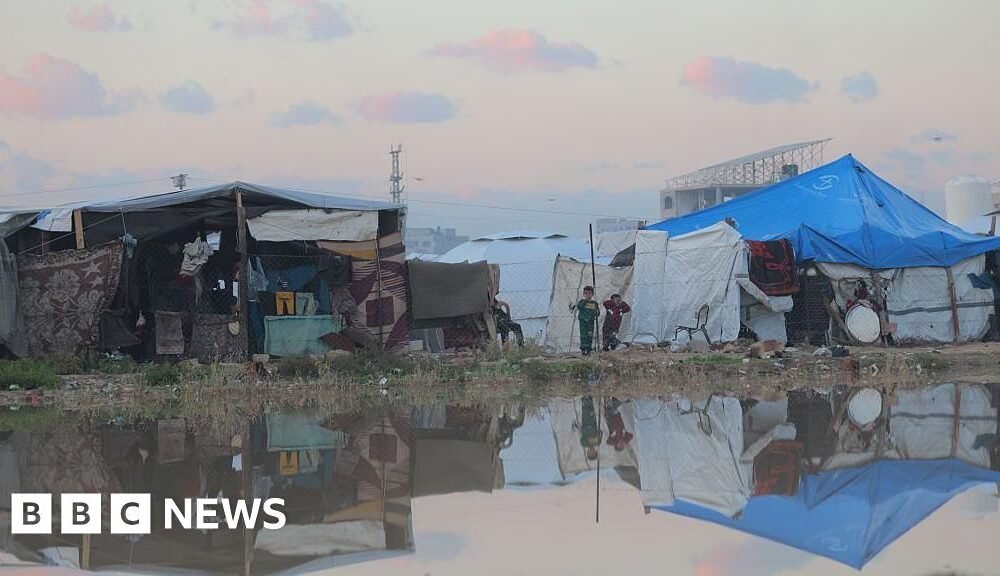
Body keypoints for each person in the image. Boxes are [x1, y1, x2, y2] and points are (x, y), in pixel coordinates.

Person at [570, 286, 600, 355]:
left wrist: (596, 313)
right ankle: (583, 349)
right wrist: (585, 301)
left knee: (590, 335)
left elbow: (597, 312)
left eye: (589, 293)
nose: (587, 295)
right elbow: (580, 306)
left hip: (590, 322)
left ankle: (588, 349)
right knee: (583, 335)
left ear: (592, 294)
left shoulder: (594, 303)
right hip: (583, 322)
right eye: (586, 293)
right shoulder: (581, 302)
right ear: (583, 294)